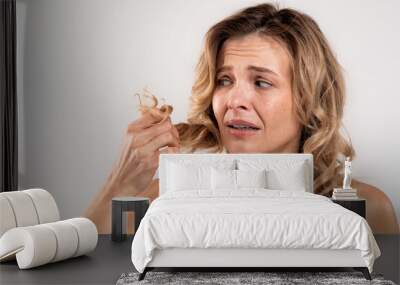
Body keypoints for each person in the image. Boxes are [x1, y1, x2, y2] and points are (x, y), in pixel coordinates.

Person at [85, 3, 399, 234]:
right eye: (224, 80)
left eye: (261, 82)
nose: (235, 101)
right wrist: (119, 185)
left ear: (309, 100)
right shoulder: (156, 200)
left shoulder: (367, 210)